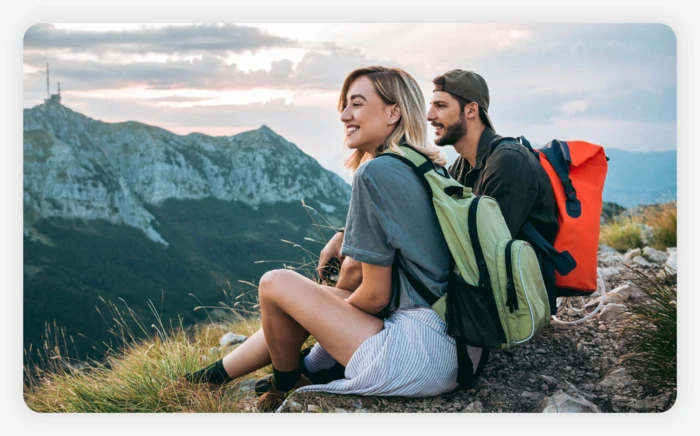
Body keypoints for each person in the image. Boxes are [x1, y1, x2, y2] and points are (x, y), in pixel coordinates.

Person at [184, 66, 458, 412]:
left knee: (275, 284)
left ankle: (287, 382)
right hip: (453, 347)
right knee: (312, 299)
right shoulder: (426, 167)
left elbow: (375, 295)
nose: (344, 115)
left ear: (394, 111)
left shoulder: (375, 172)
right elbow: (366, 272)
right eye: (344, 106)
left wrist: (319, 333)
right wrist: (323, 301)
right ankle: (208, 379)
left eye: (356, 104)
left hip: (418, 355)